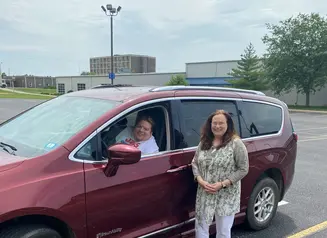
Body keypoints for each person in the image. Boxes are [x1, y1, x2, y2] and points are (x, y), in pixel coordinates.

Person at [191, 109, 249, 238]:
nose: (217, 126)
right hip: (205, 193)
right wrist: (200, 181)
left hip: (226, 195)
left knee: (223, 231)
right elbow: (195, 163)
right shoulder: (204, 141)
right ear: (210, 124)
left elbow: (243, 168)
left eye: (221, 123)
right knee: (201, 228)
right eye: (214, 123)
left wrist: (223, 184)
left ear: (228, 125)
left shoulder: (236, 144)